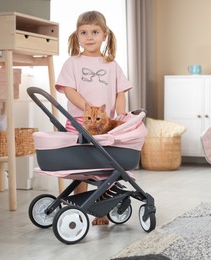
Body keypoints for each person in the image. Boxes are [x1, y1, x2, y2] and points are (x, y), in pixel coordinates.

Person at [55, 10, 132, 225]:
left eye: (94, 32)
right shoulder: (72, 63)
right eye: (84, 32)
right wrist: (88, 108)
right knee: (81, 167)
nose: (89, 37)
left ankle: (101, 209)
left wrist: (122, 117)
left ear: (104, 34)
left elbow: (120, 93)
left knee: (105, 167)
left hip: (104, 126)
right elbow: (69, 90)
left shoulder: (112, 65)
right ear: (77, 36)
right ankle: (78, 206)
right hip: (79, 122)